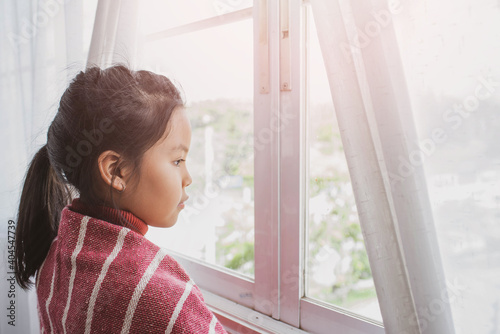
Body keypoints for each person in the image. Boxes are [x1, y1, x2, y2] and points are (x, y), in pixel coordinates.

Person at [14, 65, 228, 333]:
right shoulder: (158, 297)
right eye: (177, 161)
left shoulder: (57, 254)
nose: (188, 178)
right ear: (116, 171)